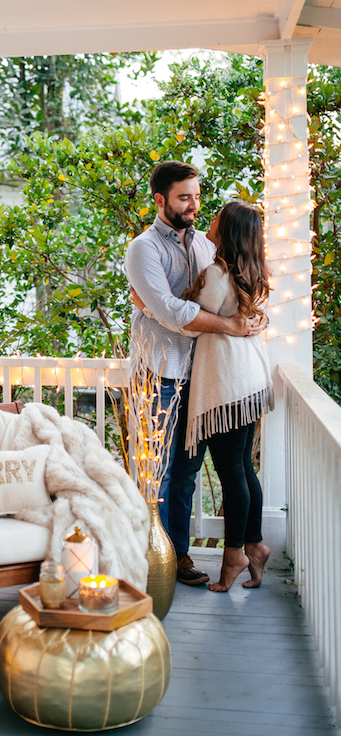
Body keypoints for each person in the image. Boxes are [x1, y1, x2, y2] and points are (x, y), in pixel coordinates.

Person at [124, 161, 264, 586]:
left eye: (197, 196)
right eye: (184, 197)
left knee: (188, 468)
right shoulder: (144, 249)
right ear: (160, 200)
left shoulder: (206, 245)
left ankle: (178, 554)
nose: (193, 205)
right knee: (159, 470)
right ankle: (155, 557)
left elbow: (234, 291)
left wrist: (251, 317)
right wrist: (230, 326)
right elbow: (170, 312)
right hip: (162, 372)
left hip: (203, 376)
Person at [177, 201, 273, 590]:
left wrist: (148, 306)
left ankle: (234, 553)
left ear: (228, 231)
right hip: (249, 381)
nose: (209, 220)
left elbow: (190, 325)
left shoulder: (217, 275)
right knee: (243, 469)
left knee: (231, 471)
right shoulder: (252, 272)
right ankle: (255, 544)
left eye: (217, 218)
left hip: (228, 385)